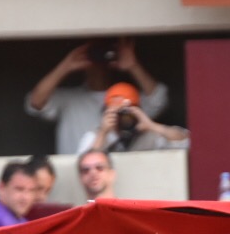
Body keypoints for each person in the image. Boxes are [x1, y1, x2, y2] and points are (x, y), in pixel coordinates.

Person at [26, 38, 168, 155]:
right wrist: (66, 66)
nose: (99, 63)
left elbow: (158, 100)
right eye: (94, 56)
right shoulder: (69, 99)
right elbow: (36, 101)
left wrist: (133, 66)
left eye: (105, 56)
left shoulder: (127, 98)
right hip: (77, 173)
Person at [79, 82, 190, 154]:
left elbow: (188, 141)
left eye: (125, 112)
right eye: (116, 112)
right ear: (106, 112)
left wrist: (151, 125)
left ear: (137, 111)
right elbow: (85, 164)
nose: (122, 118)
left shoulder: (149, 135)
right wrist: (103, 133)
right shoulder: (94, 136)